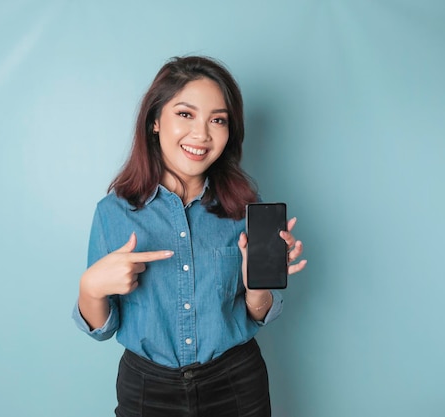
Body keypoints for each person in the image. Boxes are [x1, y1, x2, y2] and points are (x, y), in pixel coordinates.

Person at [73, 55, 306, 417]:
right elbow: (102, 329)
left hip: (236, 383)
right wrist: (90, 288)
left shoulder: (246, 208)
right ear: (154, 121)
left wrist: (257, 286)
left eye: (218, 120)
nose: (202, 134)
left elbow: (258, 313)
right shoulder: (113, 212)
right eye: (185, 114)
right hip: (147, 390)